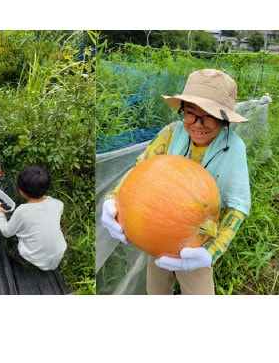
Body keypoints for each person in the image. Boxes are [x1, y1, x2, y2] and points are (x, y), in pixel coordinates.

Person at [101, 69, 251, 295]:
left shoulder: (234, 147)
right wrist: (113, 198)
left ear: (225, 120)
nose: (198, 125)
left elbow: (238, 205)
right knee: (157, 289)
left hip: (198, 241)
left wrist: (211, 251)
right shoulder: (171, 133)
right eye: (190, 114)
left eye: (209, 116)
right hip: (158, 230)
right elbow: (141, 169)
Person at [0, 165, 67, 271]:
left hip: (34, 261)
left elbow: (6, 232)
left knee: (9, 238)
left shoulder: (22, 211)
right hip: (58, 255)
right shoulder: (57, 204)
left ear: (21, 192)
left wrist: (0, 214)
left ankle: (24, 261)